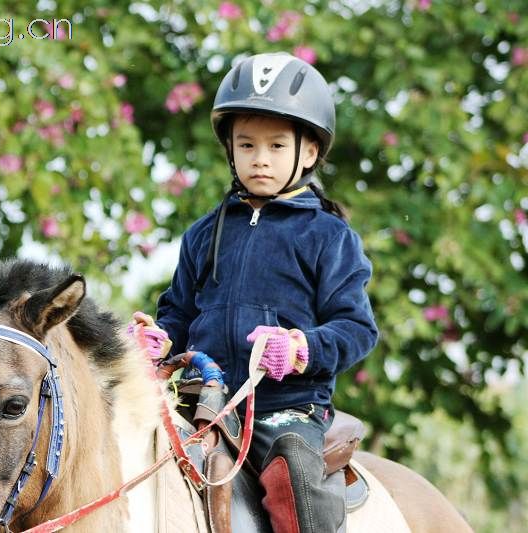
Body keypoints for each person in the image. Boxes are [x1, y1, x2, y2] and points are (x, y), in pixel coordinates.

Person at [133, 52, 378, 532]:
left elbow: (357, 329)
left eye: (275, 146)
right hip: (201, 401)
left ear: (307, 153)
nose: (259, 159)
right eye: (246, 145)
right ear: (230, 150)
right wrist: (159, 341)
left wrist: (301, 348)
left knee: (293, 476)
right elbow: (178, 313)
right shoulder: (203, 234)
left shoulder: (328, 236)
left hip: (285, 409)